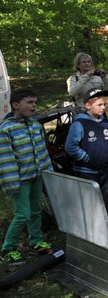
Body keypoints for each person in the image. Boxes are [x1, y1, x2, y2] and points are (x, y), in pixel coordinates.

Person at [1, 89, 54, 265]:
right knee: (22, 214)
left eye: (35, 103)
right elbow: (6, 159)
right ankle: (7, 249)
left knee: (35, 210)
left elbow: (43, 152)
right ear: (16, 105)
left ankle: (36, 241)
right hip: (19, 181)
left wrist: (49, 173)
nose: (34, 106)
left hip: (36, 176)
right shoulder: (6, 129)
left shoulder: (35, 125)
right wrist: (11, 183)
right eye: (30, 102)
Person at [65, 87, 108, 207]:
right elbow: (70, 146)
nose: (103, 107)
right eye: (99, 105)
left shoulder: (104, 122)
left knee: (103, 199)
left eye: (105, 104)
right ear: (88, 105)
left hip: (103, 169)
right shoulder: (80, 124)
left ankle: (103, 221)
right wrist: (86, 157)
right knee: (89, 202)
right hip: (87, 171)